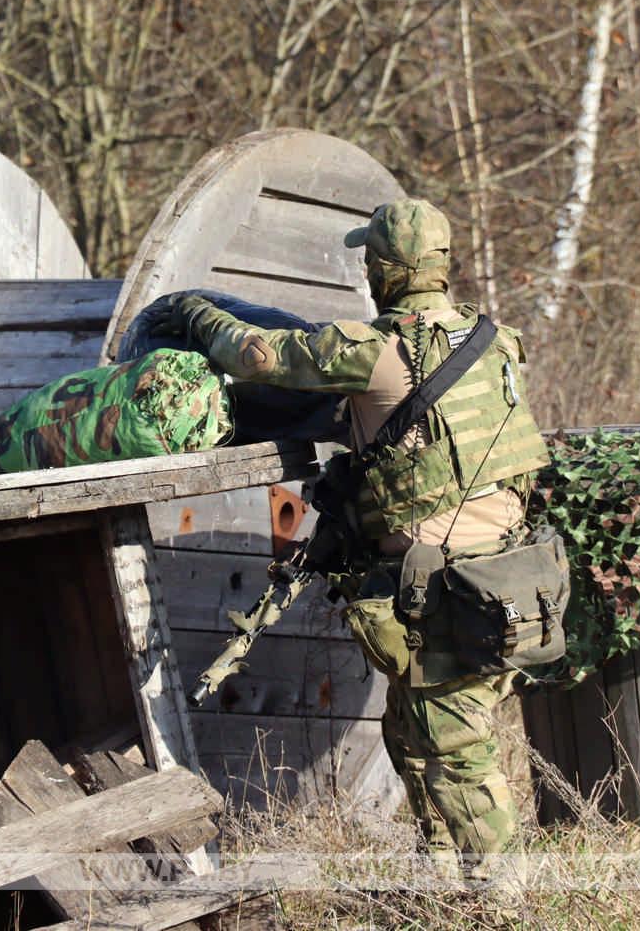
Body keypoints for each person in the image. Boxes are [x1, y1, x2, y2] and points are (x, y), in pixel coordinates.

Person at [167, 198, 555, 878]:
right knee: (409, 736)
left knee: (458, 752)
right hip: (511, 577)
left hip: (448, 589)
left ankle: (502, 900)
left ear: (381, 270)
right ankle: (442, 880)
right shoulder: (498, 340)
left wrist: (194, 312)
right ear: (440, 265)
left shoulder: (373, 350)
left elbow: (252, 354)